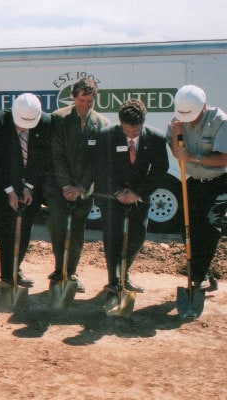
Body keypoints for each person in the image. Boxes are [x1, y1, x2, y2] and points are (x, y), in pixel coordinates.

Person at [96, 99, 168, 293]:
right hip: (113, 195)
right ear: (120, 123)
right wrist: (117, 192)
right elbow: (100, 168)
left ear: (143, 123)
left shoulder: (156, 137)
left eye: (135, 132)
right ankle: (113, 280)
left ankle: (124, 273)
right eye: (127, 131)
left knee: (137, 236)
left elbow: (161, 169)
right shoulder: (106, 135)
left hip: (140, 194)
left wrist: (138, 192)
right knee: (113, 237)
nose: (131, 136)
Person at [45, 77, 109, 293]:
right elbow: (56, 153)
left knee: (78, 231)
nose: (86, 106)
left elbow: (97, 161)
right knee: (59, 227)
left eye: (90, 101)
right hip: (58, 187)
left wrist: (81, 187)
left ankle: (70, 272)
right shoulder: (59, 118)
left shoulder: (102, 124)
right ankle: (58, 271)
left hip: (84, 188)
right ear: (73, 98)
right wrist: (65, 186)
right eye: (82, 101)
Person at [0, 93, 51, 287]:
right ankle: (6, 275)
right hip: (2, 185)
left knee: (25, 227)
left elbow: (41, 158)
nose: (23, 128)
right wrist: (10, 191)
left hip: (32, 185)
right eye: (20, 123)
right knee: (7, 227)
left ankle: (17, 268)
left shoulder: (45, 122)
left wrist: (29, 186)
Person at [166, 85, 227, 292]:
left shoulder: (220, 121)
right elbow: (177, 153)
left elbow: (224, 158)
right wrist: (177, 134)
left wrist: (192, 157)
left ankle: (198, 276)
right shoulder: (178, 121)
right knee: (187, 228)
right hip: (194, 181)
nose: (187, 119)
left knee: (210, 225)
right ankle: (203, 271)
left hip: (219, 180)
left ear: (203, 106)